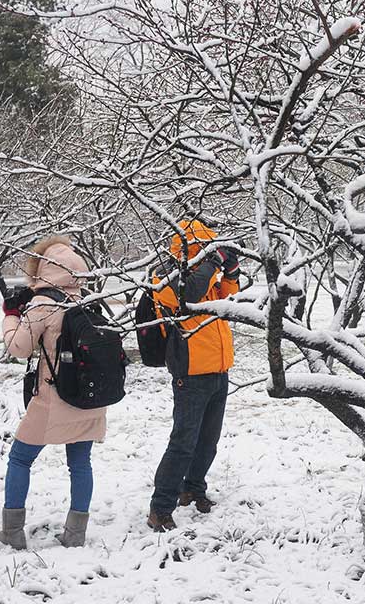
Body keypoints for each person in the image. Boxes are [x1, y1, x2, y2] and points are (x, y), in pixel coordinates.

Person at [0, 237, 105, 549]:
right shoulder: (89, 300)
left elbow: (18, 347)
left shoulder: (43, 304)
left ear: (43, 269)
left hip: (53, 399)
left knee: (19, 459)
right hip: (89, 396)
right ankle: (75, 535)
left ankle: (12, 532)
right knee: (80, 464)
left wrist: (11, 314)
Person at [148, 220, 240, 532]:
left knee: (208, 441)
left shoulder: (206, 278)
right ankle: (160, 507)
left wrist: (230, 267)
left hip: (218, 370)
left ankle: (193, 489)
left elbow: (229, 293)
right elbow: (192, 294)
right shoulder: (166, 282)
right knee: (183, 443)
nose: (208, 256)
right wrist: (214, 261)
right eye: (204, 250)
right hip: (191, 374)